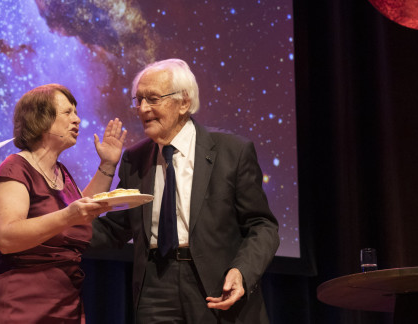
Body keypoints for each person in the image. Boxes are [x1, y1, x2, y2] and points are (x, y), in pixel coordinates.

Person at [91, 59, 279, 323]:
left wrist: (242, 271)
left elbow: (262, 225)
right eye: (139, 99)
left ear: (184, 103)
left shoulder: (231, 151)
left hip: (215, 282)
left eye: (153, 99)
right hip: (155, 286)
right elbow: (117, 227)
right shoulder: (134, 158)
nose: (143, 108)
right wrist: (57, 229)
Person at [0, 84, 127, 323]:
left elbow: (84, 212)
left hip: (65, 303)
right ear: (41, 119)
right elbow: (6, 238)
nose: (77, 120)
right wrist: (68, 216)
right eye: (67, 113)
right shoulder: (15, 167)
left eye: (76, 113)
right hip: (21, 305)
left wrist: (108, 165)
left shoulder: (62, 174)